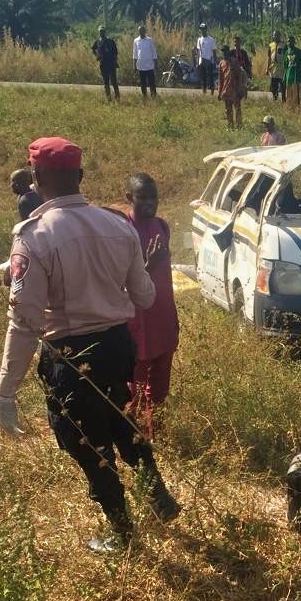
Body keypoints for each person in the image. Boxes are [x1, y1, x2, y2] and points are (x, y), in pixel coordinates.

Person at [0, 137, 179, 550]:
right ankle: (157, 495)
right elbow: (145, 296)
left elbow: (23, 321)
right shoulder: (117, 225)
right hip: (117, 346)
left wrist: (5, 391)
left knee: (87, 442)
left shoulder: (33, 239)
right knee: (120, 422)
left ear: (37, 179)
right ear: (80, 177)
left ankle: (121, 530)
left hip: (71, 356)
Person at [124, 173, 179, 437]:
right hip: (135, 322)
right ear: (129, 199)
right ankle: (135, 437)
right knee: (135, 386)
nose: (149, 202)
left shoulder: (162, 227)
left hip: (163, 320)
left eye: (153, 197)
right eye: (142, 197)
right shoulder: (123, 232)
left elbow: (166, 281)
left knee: (160, 388)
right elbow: (121, 283)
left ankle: (157, 434)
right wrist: (148, 264)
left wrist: (174, 319)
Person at [218, 46, 245, 130]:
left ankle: (239, 126)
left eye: (225, 51)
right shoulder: (221, 63)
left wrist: (240, 89)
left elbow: (240, 76)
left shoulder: (234, 62)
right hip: (226, 90)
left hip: (235, 90)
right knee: (228, 110)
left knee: (237, 109)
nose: (224, 53)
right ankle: (230, 126)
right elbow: (220, 79)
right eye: (222, 52)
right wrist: (219, 93)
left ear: (228, 52)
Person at [91, 26, 120, 101]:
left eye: (103, 31)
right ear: (99, 32)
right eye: (100, 31)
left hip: (111, 64)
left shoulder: (110, 41)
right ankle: (109, 99)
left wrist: (115, 61)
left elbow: (116, 52)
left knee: (114, 81)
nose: (101, 32)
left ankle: (117, 98)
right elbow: (93, 49)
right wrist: (97, 55)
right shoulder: (98, 41)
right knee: (106, 82)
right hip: (103, 64)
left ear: (105, 32)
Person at [283, 35, 301, 110]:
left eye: (291, 41)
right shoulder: (286, 52)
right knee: (288, 94)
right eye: (288, 41)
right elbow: (285, 66)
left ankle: (296, 108)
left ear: (294, 42)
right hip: (288, 76)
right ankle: (289, 108)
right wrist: (285, 76)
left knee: (296, 94)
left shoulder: (297, 51)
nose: (289, 42)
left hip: (295, 76)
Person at [132, 25, 157, 99]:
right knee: (143, 84)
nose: (141, 32)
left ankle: (154, 97)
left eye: (143, 30)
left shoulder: (149, 40)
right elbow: (135, 54)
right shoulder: (136, 40)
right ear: (138, 31)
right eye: (140, 31)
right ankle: (144, 97)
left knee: (152, 83)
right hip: (140, 66)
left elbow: (154, 53)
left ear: (145, 31)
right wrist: (134, 65)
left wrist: (156, 64)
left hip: (149, 66)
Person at [194, 22, 217, 94]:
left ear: (206, 29)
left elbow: (214, 51)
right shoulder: (199, 39)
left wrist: (215, 62)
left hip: (209, 60)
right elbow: (198, 52)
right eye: (201, 29)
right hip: (202, 60)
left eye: (203, 29)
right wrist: (197, 62)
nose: (202, 30)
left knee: (210, 77)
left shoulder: (211, 39)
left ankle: (212, 92)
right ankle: (204, 91)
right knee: (203, 77)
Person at [266, 32, 286, 103]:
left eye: (277, 35)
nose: (276, 36)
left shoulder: (284, 45)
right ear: (273, 36)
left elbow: (287, 56)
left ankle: (284, 100)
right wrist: (267, 68)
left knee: (283, 85)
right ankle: (275, 98)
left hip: (281, 68)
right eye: (274, 35)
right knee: (273, 85)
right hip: (273, 68)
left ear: (280, 36)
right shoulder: (270, 45)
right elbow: (269, 57)